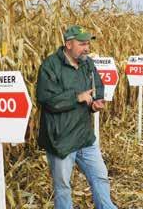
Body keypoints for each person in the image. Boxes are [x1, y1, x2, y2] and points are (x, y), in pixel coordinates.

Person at [36, 25, 117, 209]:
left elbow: (97, 87)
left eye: (88, 43)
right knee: (63, 187)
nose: (86, 48)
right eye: (82, 44)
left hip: (84, 136)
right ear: (68, 44)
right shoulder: (50, 66)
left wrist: (96, 103)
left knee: (100, 176)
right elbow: (46, 99)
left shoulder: (87, 63)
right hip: (61, 139)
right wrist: (77, 97)